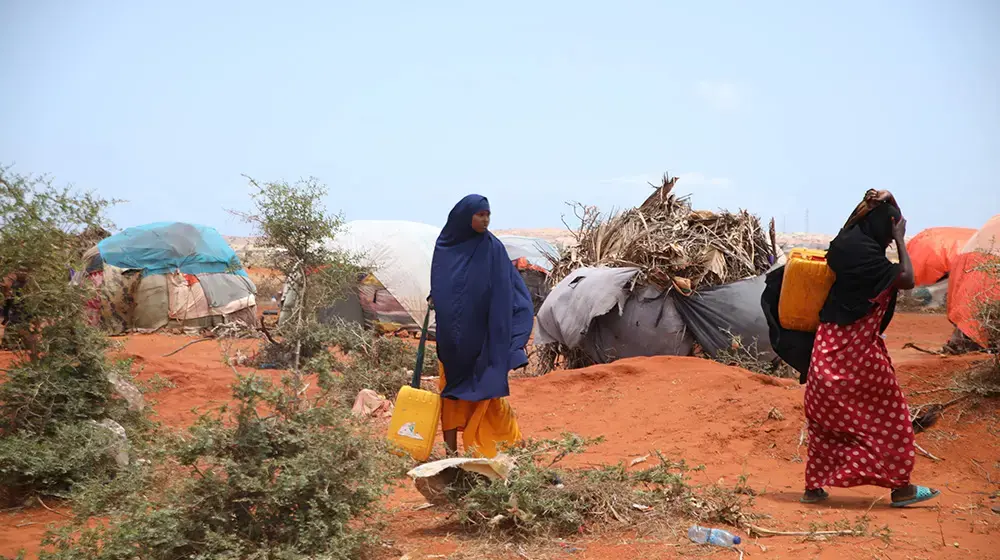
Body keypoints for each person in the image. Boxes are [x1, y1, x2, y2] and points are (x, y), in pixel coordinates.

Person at [799, 190, 939, 507]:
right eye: (890, 232)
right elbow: (907, 278)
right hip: (859, 358)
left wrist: (888, 200)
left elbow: (862, 220)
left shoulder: (845, 249)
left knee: (826, 427)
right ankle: (901, 489)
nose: (891, 239)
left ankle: (814, 488)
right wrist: (903, 240)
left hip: (825, 358)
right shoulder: (871, 264)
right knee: (895, 421)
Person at [430, 194, 534, 458]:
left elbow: (513, 291)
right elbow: (444, 286)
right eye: (480, 215)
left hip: (485, 339)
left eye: (488, 214)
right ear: (466, 217)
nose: (486, 219)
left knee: (490, 397)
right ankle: (451, 456)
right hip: (453, 341)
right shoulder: (446, 247)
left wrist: (513, 334)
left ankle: (509, 450)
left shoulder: (493, 248)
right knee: (451, 397)